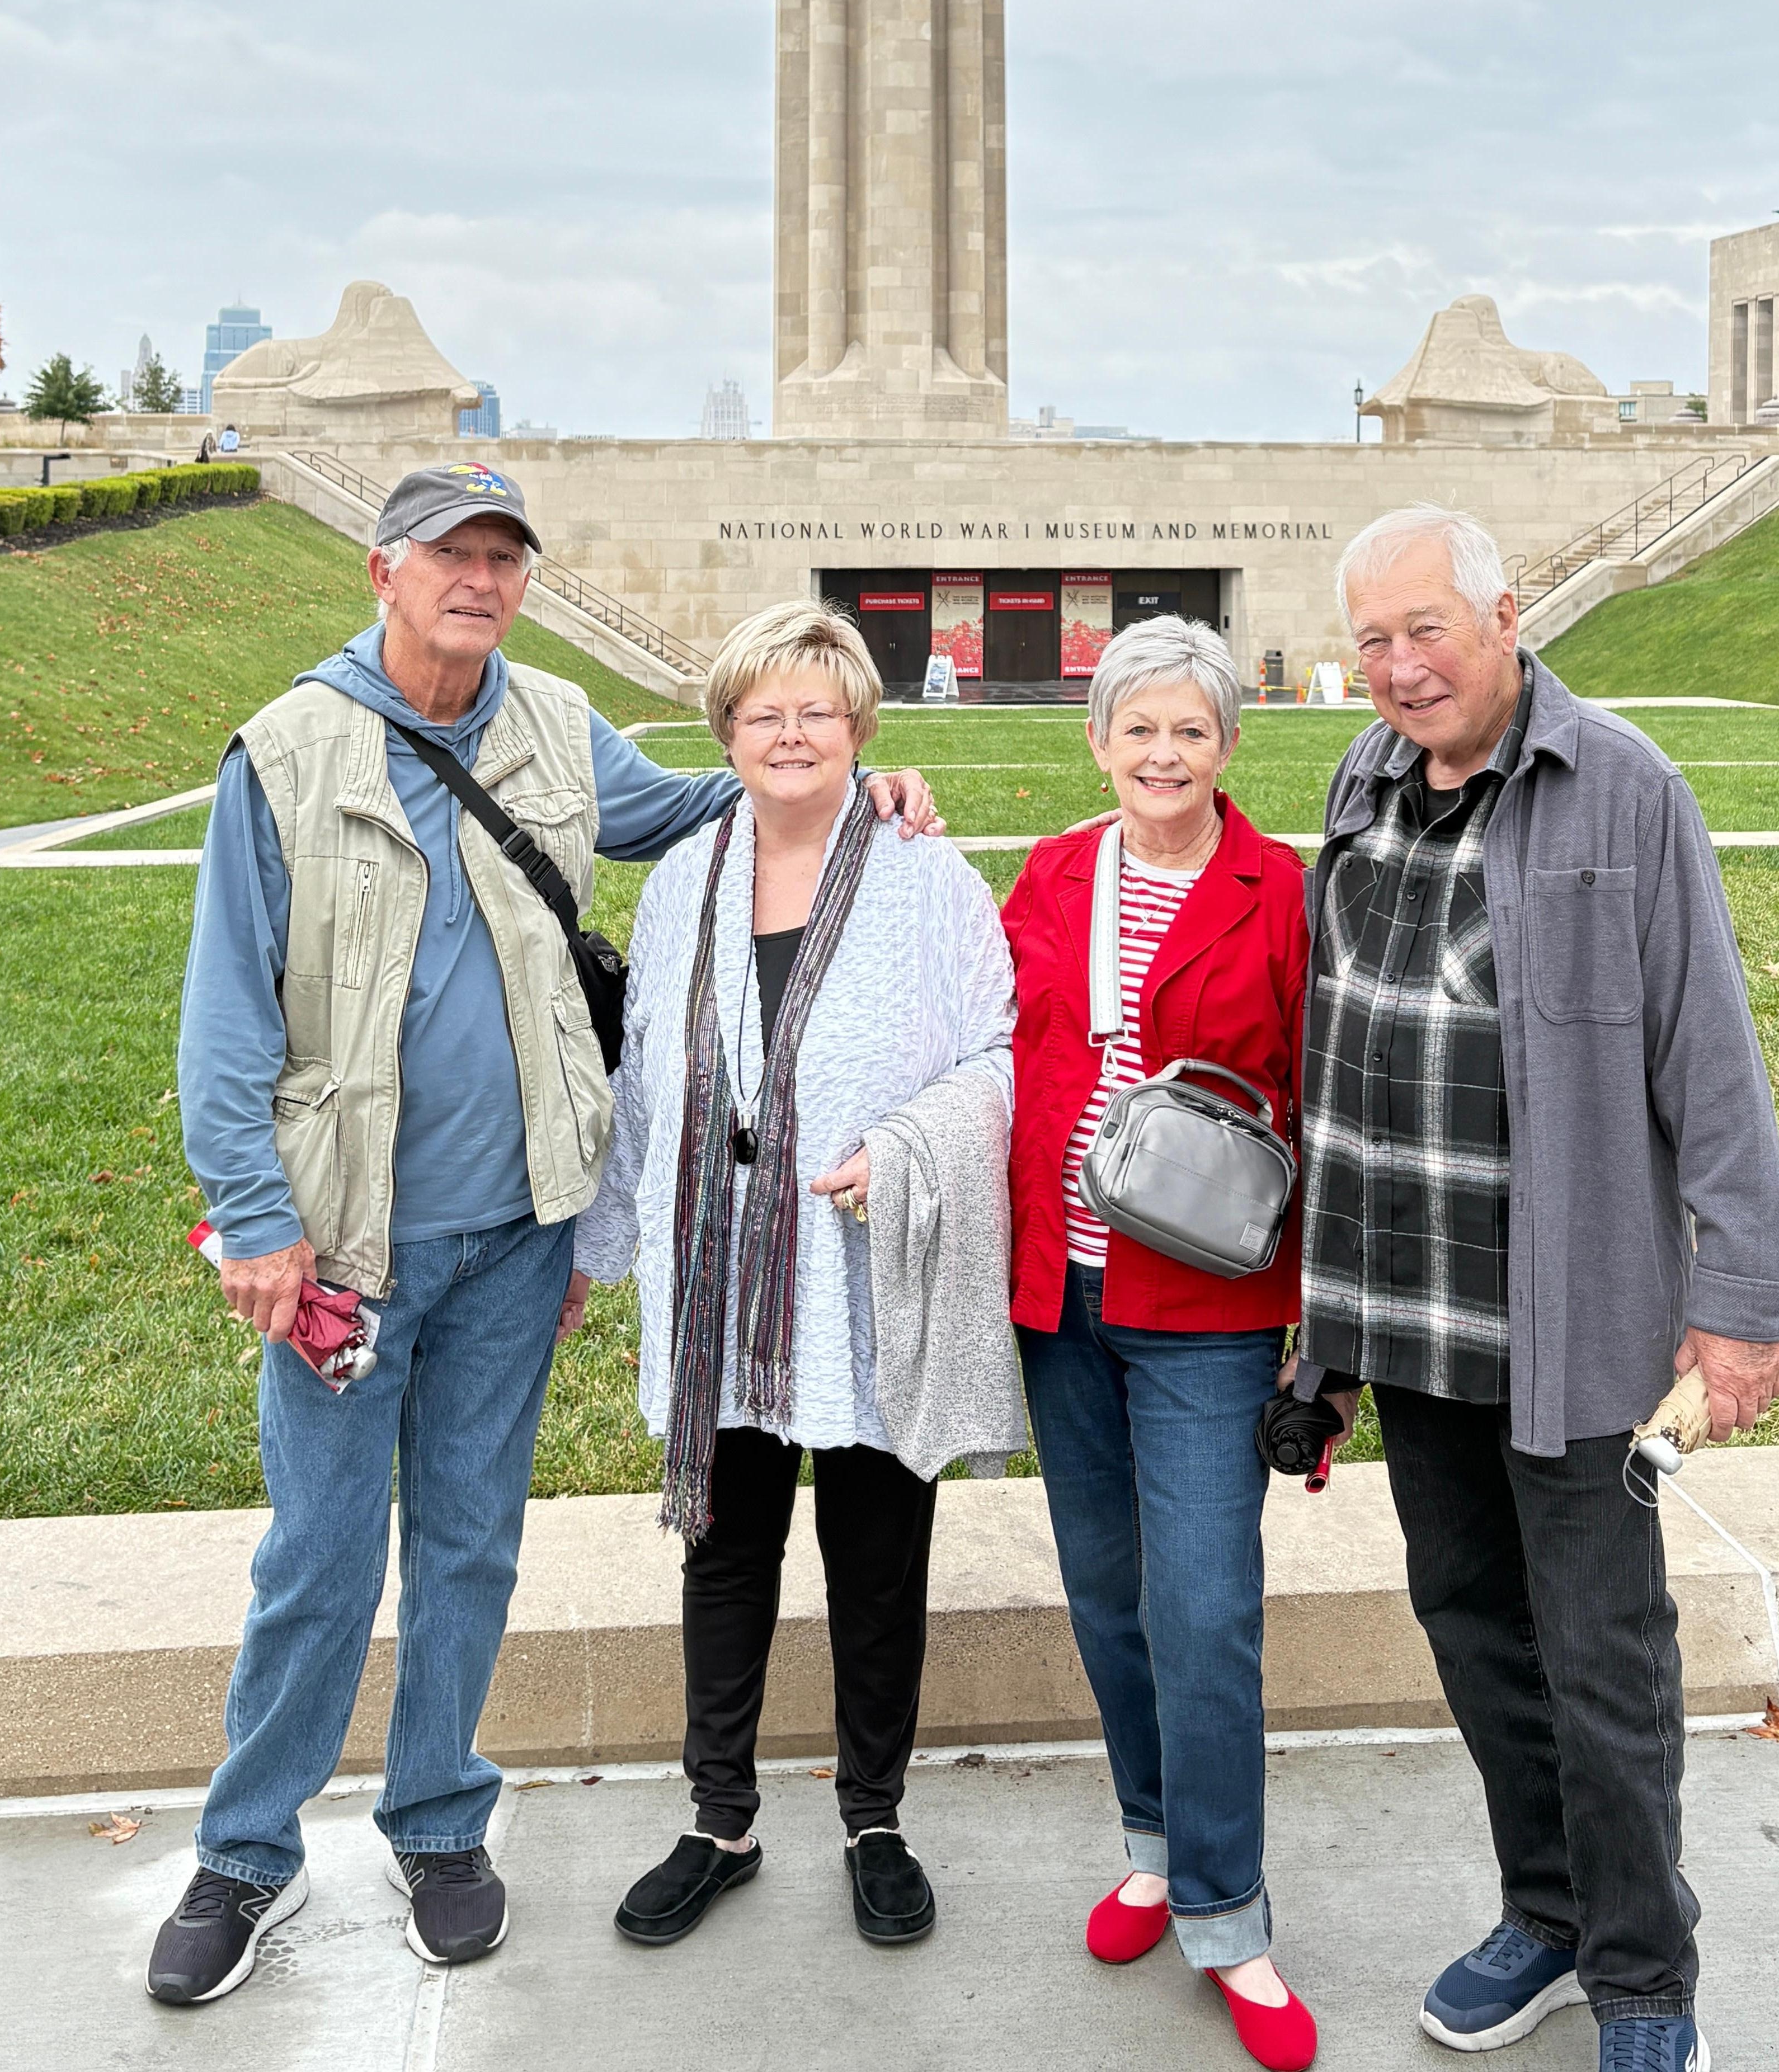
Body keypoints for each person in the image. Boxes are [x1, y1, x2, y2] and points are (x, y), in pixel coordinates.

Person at [149, 469, 942, 2008]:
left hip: (520, 1236)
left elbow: (713, 799)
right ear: (384, 569)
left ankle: (440, 1820)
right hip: (346, 1248)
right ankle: (246, 1856)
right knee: (317, 1555)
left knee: (467, 1543)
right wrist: (254, 1217)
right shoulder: (288, 749)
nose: (480, 578)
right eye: (452, 552)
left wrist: (865, 781)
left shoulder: (555, 726)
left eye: (504, 557)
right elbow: (225, 1005)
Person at [1289, 507, 1779, 2072]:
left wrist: (1740, 1303)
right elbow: (1339, 1053)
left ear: (1506, 616)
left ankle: (1644, 1982)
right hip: (1411, 1308)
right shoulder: (1361, 785)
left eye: (1424, 628)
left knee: (1601, 1659)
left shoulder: (1622, 787)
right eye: (1370, 638)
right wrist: (1323, 1334)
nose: (1397, 666)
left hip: (1569, 1319)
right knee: (1473, 1629)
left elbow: (1705, 1057)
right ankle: (1549, 1914)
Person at [586, 600, 1014, 1956]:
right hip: (721, 1275)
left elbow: (997, 1058)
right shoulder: (678, 884)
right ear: (727, 733)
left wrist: (902, 1150)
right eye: (763, 712)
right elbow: (645, 1081)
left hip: (860, 1264)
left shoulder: (925, 879)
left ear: (858, 731)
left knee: (876, 1557)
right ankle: (720, 1816)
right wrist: (608, 1247)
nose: (790, 734)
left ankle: (874, 1815)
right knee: (727, 1549)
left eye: (817, 712)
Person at [1003, 618, 1317, 2071]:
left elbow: (1316, 1101)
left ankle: (1228, 1916)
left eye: (1189, 732)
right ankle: (1149, 1837)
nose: (1162, 755)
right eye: (1138, 730)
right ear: (1098, 742)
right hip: (1063, 1300)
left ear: (1225, 747)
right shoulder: (1057, 875)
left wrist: (1321, 1334)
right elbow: (984, 1036)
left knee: (1205, 1612)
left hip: (1207, 1308)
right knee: (1110, 1594)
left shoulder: (1278, 892)